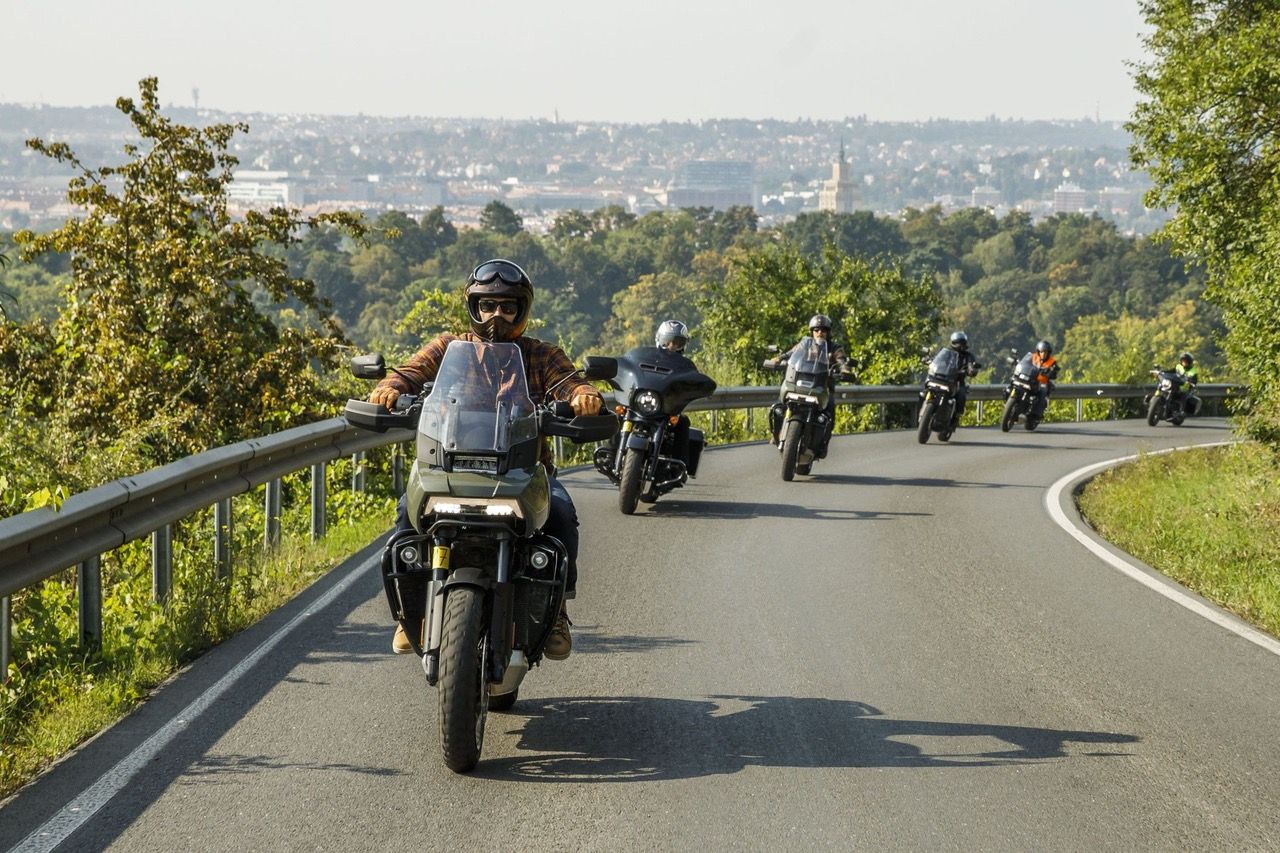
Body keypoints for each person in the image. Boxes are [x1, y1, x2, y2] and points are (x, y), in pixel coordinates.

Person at [368, 259, 603, 660]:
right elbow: (409, 372)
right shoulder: (447, 348)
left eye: (507, 306)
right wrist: (388, 388)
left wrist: (584, 396)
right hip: (447, 466)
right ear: (474, 308)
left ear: (521, 310)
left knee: (562, 514)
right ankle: (413, 614)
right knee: (407, 515)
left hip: (525, 472)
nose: (497, 315)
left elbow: (571, 382)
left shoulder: (541, 355)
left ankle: (558, 612)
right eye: (488, 305)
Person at [767, 314, 847, 457]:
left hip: (821, 387)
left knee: (830, 410)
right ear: (812, 331)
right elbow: (792, 353)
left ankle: (822, 445)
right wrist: (778, 359)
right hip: (799, 382)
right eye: (816, 330)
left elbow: (841, 359)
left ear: (828, 332)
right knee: (779, 405)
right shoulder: (805, 344)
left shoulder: (834, 347)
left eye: (823, 330)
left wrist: (844, 369)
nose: (820, 332)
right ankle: (777, 433)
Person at [654, 319, 695, 465]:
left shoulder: (684, 366)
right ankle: (613, 453)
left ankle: (679, 465)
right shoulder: (650, 358)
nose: (672, 346)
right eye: (667, 341)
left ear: (683, 345)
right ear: (659, 339)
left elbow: (692, 381)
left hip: (668, 408)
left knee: (682, 422)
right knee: (622, 414)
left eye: (677, 342)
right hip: (647, 403)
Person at [945, 331, 981, 428]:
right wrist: (930, 360)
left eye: (960, 342)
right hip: (943, 378)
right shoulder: (947, 352)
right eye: (956, 342)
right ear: (952, 342)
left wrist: (971, 370)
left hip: (957, 381)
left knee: (961, 393)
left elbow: (971, 365)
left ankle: (956, 416)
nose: (958, 345)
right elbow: (938, 359)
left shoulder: (968, 356)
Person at [1029, 340, 1060, 419]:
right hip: (1030, 379)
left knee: (1043, 391)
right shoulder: (1033, 356)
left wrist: (1051, 372)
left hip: (1042, 383)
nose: (1043, 354)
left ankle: (1037, 413)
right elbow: (1024, 362)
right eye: (1042, 352)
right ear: (1038, 351)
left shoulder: (1052, 362)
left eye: (1045, 352)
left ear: (1048, 353)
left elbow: (1055, 371)